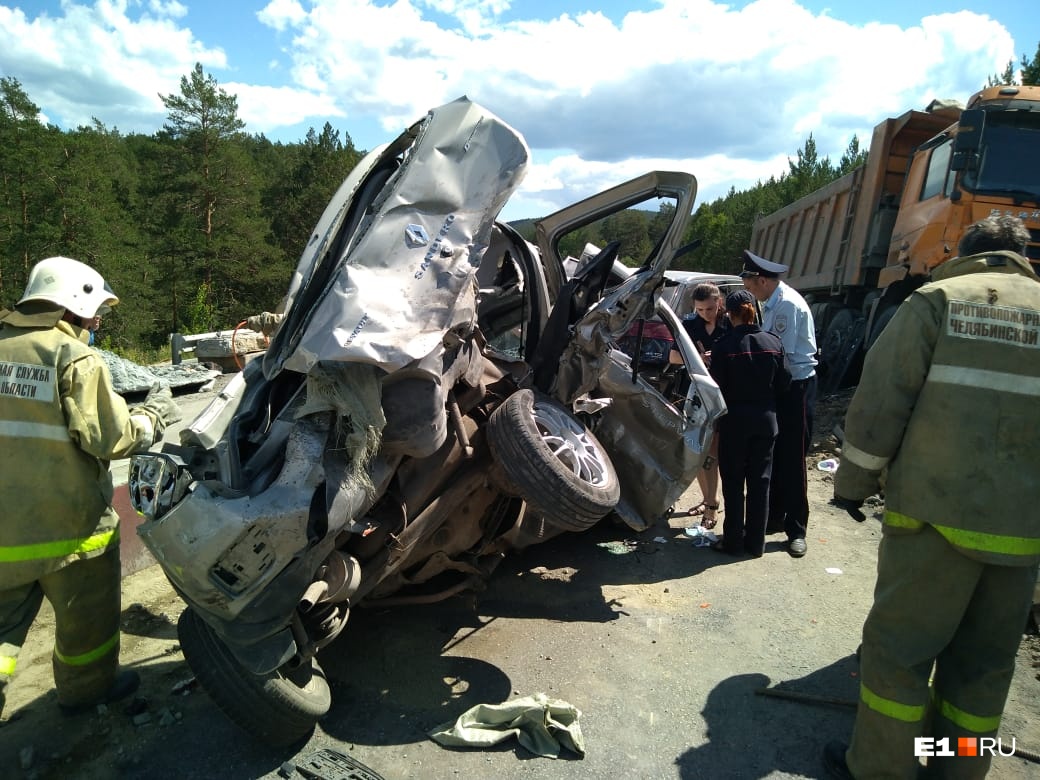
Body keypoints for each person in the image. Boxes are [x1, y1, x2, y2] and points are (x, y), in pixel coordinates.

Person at [823, 215, 1040, 780]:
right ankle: (956, 770)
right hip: (1023, 533)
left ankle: (882, 768)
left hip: (934, 522)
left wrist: (853, 486)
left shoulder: (938, 301)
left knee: (900, 653)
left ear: (968, 251)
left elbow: (880, 404)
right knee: (986, 667)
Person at [0, 256, 181, 717]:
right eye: (95, 313)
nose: (96, 322)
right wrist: (153, 417)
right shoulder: (71, 356)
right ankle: (86, 693)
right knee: (87, 629)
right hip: (71, 533)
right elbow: (111, 438)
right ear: (71, 306)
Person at [740, 250, 817, 557]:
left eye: (747, 281)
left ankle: (797, 529)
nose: (747, 288)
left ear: (761, 280)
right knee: (774, 454)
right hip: (783, 385)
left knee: (793, 459)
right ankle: (773, 518)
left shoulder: (784, 305)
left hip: (796, 387)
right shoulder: (770, 301)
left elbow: (777, 353)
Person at [707, 290, 790, 557]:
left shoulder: (724, 346)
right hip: (766, 421)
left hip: (734, 423)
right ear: (754, 310)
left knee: (733, 484)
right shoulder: (773, 343)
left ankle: (732, 541)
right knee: (760, 483)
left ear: (729, 315)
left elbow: (715, 387)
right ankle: (756, 544)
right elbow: (784, 383)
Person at [668, 282, 730, 528]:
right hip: (695, 397)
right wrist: (697, 358)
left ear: (719, 303)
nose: (706, 314)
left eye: (710, 309)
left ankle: (712, 505)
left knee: (711, 453)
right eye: (701, 310)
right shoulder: (690, 325)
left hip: (723, 396)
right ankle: (710, 501)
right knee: (700, 451)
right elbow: (672, 357)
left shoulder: (730, 324)